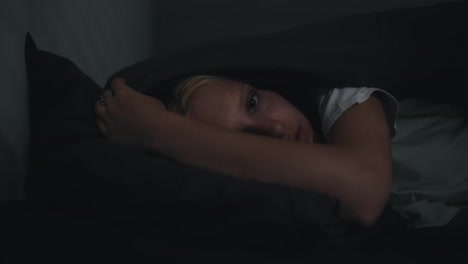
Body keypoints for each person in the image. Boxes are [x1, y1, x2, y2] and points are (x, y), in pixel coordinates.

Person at [95, 73, 467, 228]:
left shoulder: (343, 103)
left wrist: (158, 131)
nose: (274, 130)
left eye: (253, 103)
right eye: (245, 140)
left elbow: (363, 187)